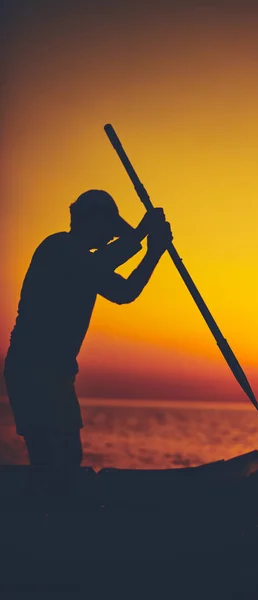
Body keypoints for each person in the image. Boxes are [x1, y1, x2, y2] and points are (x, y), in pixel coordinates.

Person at [3, 189, 173, 470]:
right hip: (31, 369)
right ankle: (48, 508)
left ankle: (56, 505)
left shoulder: (88, 265)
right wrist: (142, 231)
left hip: (58, 373)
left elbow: (125, 291)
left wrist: (154, 253)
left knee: (69, 455)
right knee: (48, 455)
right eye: (111, 228)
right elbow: (105, 260)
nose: (111, 237)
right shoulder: (58, 248)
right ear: (92, 220)